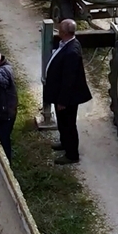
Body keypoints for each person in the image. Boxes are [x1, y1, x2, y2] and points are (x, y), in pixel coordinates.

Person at [43, 19, 92, 165]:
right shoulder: (67, 44)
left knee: (69, 124)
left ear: (63, 32)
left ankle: (72, 155)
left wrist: (63, 101)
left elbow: (68, 80)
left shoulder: (72, 51)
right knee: (63, 122)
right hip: (62, 95)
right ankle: (64, 143)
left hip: (68, 98)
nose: (57, 30)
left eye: (59, 29)